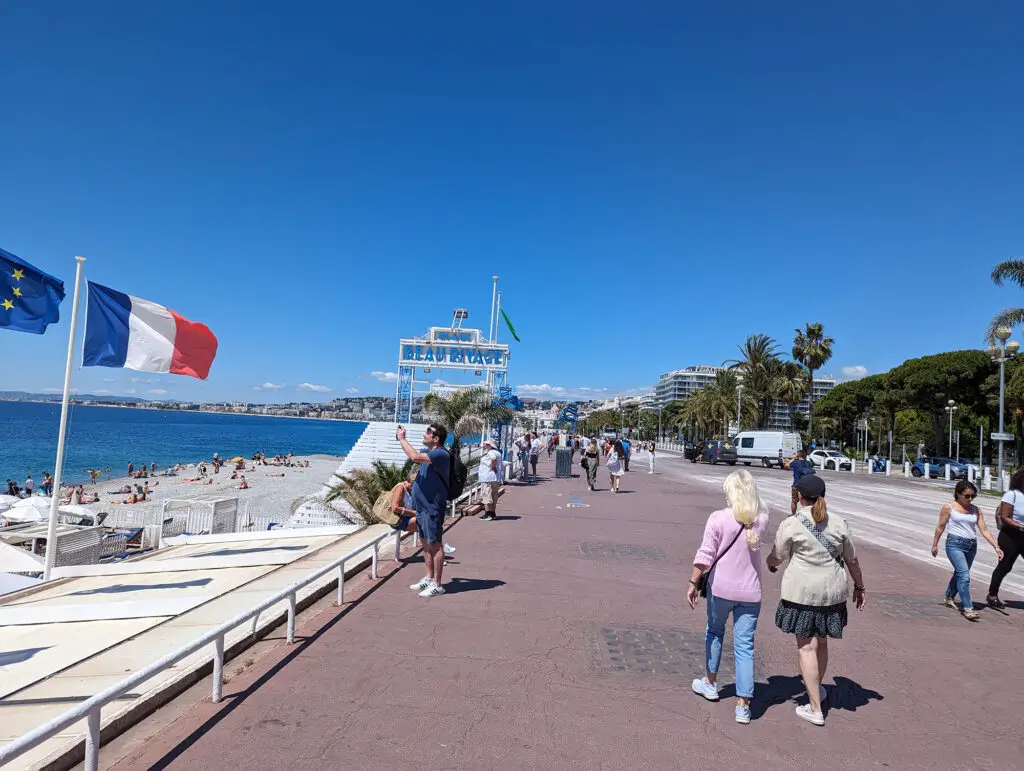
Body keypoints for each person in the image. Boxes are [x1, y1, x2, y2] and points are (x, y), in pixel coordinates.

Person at [766, 474, 866, 726]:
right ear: (822, 496)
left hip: (802, 593)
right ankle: (816, 688)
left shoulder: (792, 523)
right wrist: (860, 587)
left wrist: (771, 564)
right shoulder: (839, 522)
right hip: (832, 593)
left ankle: (814, 708)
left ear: (800, 496)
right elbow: (852, 560)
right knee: (821, 643)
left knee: (806, 647)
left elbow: (778, 555)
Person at [687, 470, 770, 724]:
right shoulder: (762, 520)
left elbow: (705, 555)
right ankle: (743, 705)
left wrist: (692, 582)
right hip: (750, 592)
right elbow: (760, 509)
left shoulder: (718, 518)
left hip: (721, 589)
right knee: (745, 646)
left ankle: (711, 683)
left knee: (714, 632)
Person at [931, 480, 1001, 621]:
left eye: (973, 496)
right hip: (954, 545)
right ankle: (968, 608)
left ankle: (949, 596)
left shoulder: (976, 510)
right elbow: (940, 526)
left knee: (960, 573)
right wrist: (935, 544)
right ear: (958, 494)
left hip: (971, 546)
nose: (970, 499)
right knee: (964, 575)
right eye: (967, 496)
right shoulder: (949, 507)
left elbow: (984, 530)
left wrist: (996, 546)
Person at [398, 423, 450, 598]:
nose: (425, 434)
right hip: (421, 508)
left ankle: (438, 584)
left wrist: (402, 439)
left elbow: (413, 456)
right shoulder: (429, 453)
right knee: (425, 542)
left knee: (435, 544)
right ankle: (429, 577)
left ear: (436, 438)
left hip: (432, 507)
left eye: (429, 432)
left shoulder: (440, 453)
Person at [987, 468, 1024, 608]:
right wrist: (1021, 526)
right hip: (1010, 536)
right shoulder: (1011, 495)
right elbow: (1005, 517)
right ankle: (992, 595)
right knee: (1005, 566)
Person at [478, 438, 501, 521]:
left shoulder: (491, 452)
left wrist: (493, 467)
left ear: (491, 446)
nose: (486, 446)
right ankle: (493, 513)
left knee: (486, 495)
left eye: (487, 444)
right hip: (495, 478)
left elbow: (493, 458)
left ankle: (487, 514)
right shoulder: (498, 452)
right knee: (494, 495)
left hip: (487, 477)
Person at [788, 450, 816, 515]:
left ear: (798, 456)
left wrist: (793, 458)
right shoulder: (809, 463)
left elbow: (787, 465)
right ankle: (807, 514)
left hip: (796, 484)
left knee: (794, 501)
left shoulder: (795, 462)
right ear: (805, 456)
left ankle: (793, 514)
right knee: (807, 500)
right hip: (806, 484)